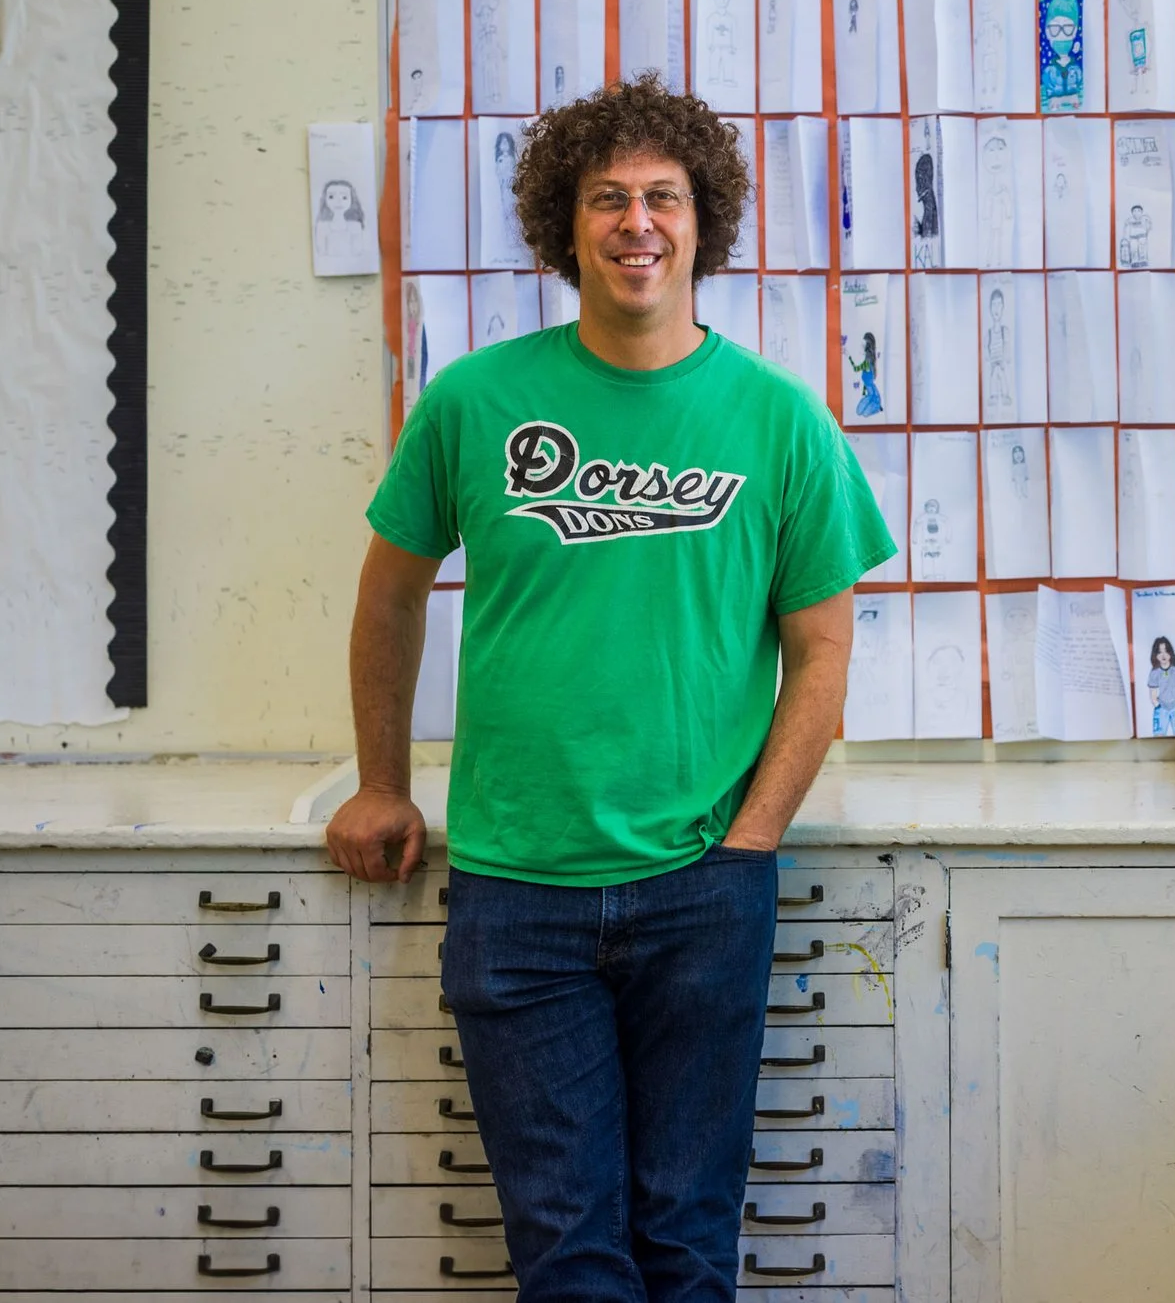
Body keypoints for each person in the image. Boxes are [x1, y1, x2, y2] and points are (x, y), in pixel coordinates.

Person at [324, 75, 895, 1303]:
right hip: (515, 891)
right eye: (607, 199)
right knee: (569, 1259)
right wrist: (382, 782)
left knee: (686, 1248)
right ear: (562, 226)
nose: (638, 223)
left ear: (705, 223)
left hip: (703, 887)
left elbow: (825, 654)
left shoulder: (779, 421)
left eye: (663, 198)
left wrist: (749, 847)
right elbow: (386, 596)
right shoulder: (476, 402)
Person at [1147, 636, 1175, 735]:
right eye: (1159, 652)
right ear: (1155, 655)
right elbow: (1153, 693)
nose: (1163, 655)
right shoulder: (1154, 673)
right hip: (1161, 708)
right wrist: (1157, 705)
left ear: (1170, 653)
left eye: (1166, 651)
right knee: (1159, 736)